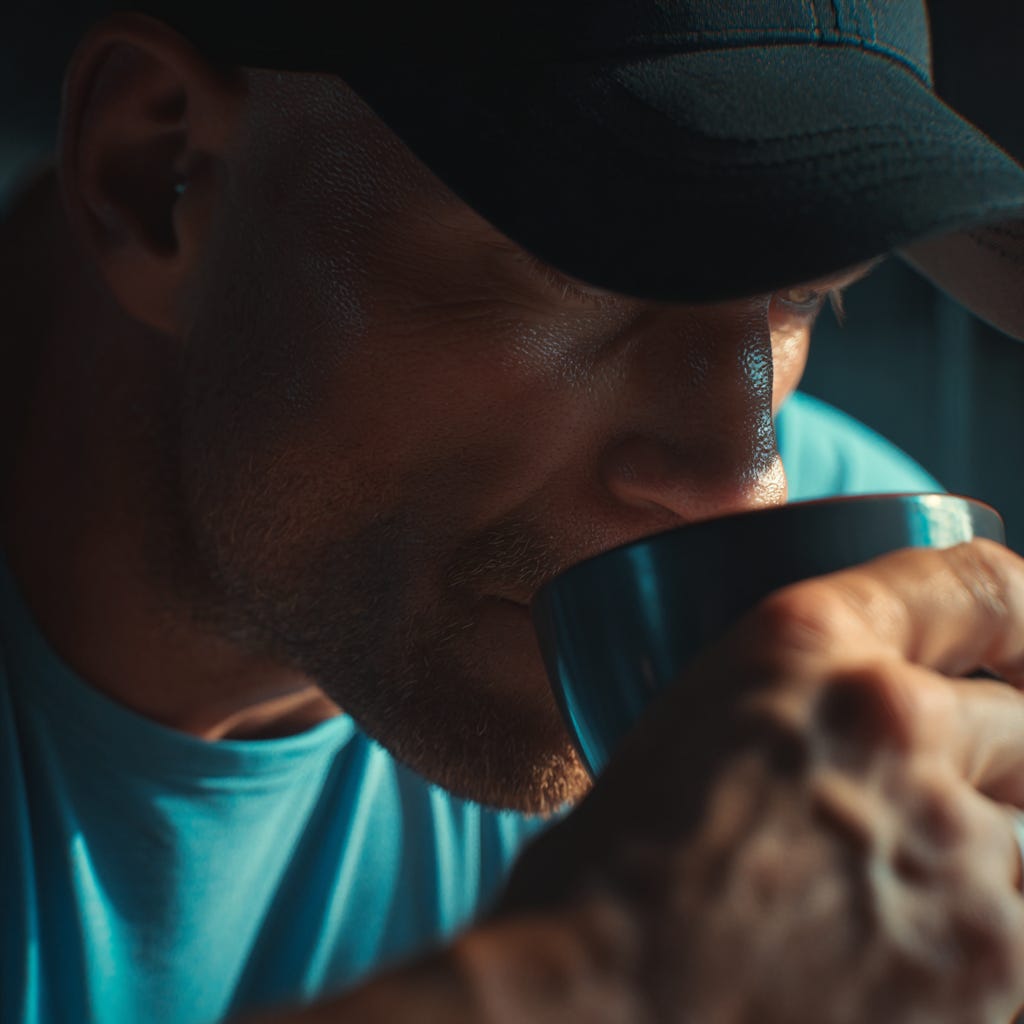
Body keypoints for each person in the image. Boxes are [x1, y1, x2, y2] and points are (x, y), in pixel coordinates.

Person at [3, 1, 1024, 1022]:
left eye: (802, 295)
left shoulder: (843, 593)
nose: (745, 485)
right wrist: (604, 977)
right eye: (589, 271)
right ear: (158, 181)